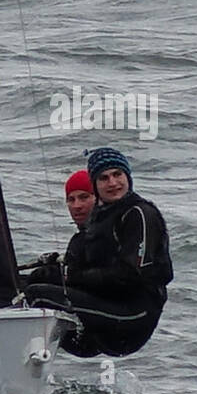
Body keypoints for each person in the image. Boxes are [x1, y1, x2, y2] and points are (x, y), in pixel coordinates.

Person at [23, 147, 172, 358]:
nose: (112, 183)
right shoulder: (98, 221)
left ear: (127, 177)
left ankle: (17, 359)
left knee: (35, 296)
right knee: (24, 284)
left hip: (132, 318)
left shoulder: (139, 214)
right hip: (101, 320)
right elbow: (80, 271)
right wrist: (54, 272)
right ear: (96, 184)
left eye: (117, 175)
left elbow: (129, 276)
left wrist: (68, 277)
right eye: (103, 178)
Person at [18, 169, 95, 288]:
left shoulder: (101, 233)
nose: (77, 206)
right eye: (71, 199)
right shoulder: (80, 238)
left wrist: (56, 274)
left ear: (98, 199)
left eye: (84, 197)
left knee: (35, 288)